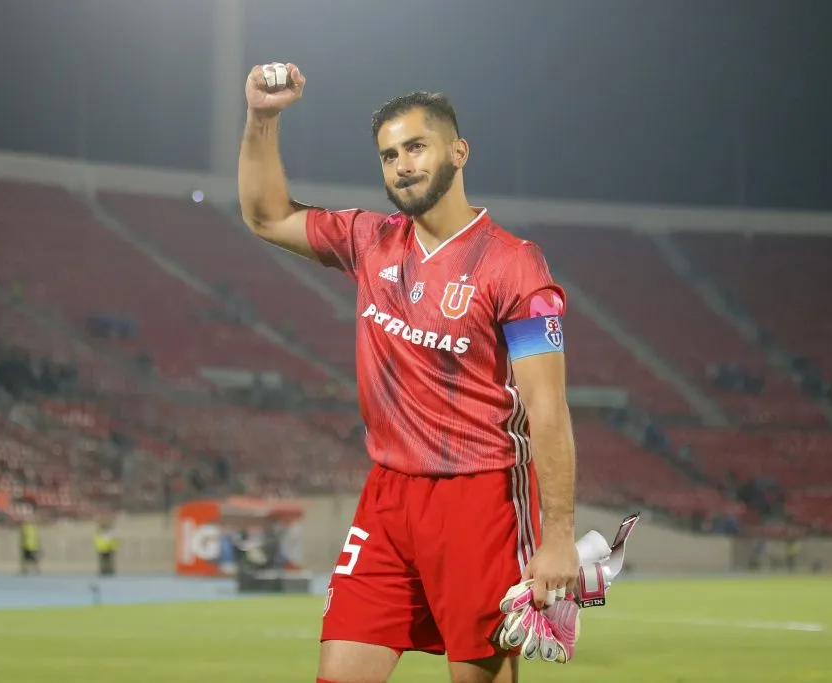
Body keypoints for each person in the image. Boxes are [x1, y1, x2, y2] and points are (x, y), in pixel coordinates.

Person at [238, 63, 580, 683]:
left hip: (480, 499)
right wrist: (263, 118)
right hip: (387, 498)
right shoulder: (370, 240)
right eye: (389, 155)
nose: (401, 165)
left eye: (416, 147)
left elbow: (548, 412)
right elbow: (266, 217)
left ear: (458, 151)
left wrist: (558, 537)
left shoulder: (515, 266)